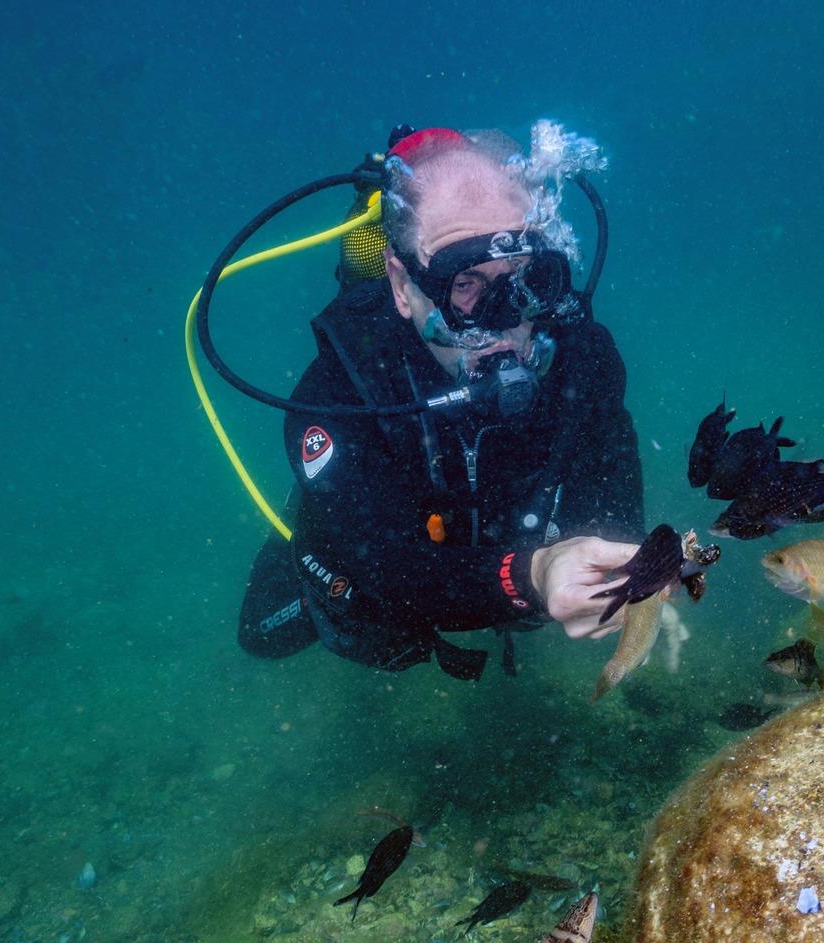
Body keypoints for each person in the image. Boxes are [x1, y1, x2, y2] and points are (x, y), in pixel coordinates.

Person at [236, 124, 644, 679]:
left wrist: (625, 575)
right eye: (465, 283)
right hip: (389, 557)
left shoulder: (584, 358)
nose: (506, 317)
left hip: (508, 549)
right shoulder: (336, 396)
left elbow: (611, 479)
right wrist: (532, 577)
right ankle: (319, 500)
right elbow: (389, 570)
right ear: (404, 287)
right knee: (277, 633)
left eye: (526, 277)